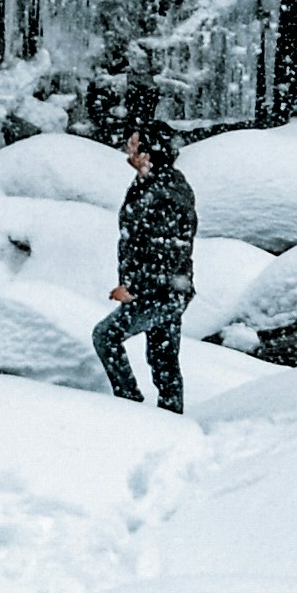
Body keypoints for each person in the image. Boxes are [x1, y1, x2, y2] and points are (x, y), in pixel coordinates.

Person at [93, 118, 197, 413]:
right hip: (163, 290)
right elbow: (141, 241)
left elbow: (169, 248)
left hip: (162, 293)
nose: (129, 148)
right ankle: (170, 419)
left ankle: (129, 406)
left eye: (135, 143)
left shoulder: (165, 190)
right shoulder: (150, 183)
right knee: (163, 359)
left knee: (106, 335)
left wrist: (134, 288)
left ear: (149, 150)